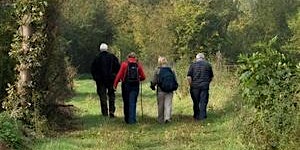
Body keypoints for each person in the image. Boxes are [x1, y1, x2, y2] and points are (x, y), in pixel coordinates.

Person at [113, 52, 146, 124]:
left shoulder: (124, 64)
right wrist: (138, 79)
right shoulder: (138, 65)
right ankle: (132, 120)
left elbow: (119, 75)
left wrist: (115, 85)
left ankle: (127, 119)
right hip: (135, 86)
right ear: (135, 57)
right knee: (133, 102)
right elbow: (143, 77)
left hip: (126, 85)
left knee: (126, 102)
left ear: (128, 57)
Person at [91, 43, 120, 118]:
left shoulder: (97, 58)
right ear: (107, 49)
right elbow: (118, 67)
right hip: (111, 80)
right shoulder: (112, 57)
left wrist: (96, 78)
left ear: (100, 49)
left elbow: (93, 69)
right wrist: (115, 76)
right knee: (111, 95)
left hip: (100, 81)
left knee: (102, 96)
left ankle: (104, 113)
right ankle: (111, 111)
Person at [150, 56, 177, 123]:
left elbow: (154, 80)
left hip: (160, 90)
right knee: (168, 104)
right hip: (170, 90)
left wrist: (152, 86)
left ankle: (160, 119)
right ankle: (167, 118)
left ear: (159, 62)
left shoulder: (157, 70)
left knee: (160, 105)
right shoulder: (171, 70)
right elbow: (175, 80)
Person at [187, 53, 214, 121]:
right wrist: (207, 83)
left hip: (195, 86)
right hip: (204, 86)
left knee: (196, 101)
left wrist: (191, 85)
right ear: (203, 58)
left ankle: (196, 116)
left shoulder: (192, 65)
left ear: (197, 58)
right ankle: (202, 117)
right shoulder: (208, 65)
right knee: (203, 101)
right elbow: (211, 76)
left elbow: (189, 77)